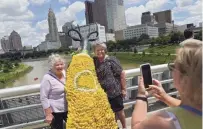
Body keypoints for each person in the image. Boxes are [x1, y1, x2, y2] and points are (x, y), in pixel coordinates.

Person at [131, 39, 202, 129]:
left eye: (173, 66)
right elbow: (191, 109)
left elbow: (136, 126)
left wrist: (141, 95)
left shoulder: (165, 121)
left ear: (185, 80)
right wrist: (165, 97)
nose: (171, 70)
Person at [92, 42, 127, 129]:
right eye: (97, 50)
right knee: (110, 113)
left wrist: (124, 89)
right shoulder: (94, 61)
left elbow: (122, 73)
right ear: (94, 51)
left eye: (102, 49)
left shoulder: (111, 60)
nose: (100, 51)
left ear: (105, 50)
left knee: (120, 111)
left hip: (115, 91)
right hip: (102, 94)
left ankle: (124, 127)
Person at [40, 54, 67, 129]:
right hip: (55, 111)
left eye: (61, 64)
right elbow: (43, 97)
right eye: (57, 65)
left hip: (68, 108)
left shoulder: (65, 73)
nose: (60, 66)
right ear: (52, 66)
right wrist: (48, 114)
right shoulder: (47, 78)